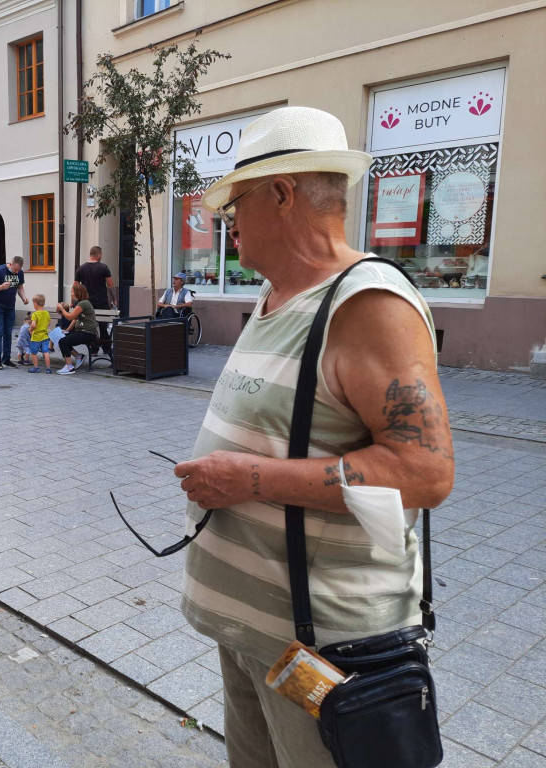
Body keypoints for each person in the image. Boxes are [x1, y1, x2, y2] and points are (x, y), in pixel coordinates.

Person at [172, 107, 454, 768]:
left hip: (328, 647)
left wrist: (248, 480)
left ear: (281, 193)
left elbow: (425, 470)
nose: (226, 220)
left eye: (236, 202)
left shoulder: (367, 302)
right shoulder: (277, 296)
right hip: (261, 634)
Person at [0, 255, 28, 369]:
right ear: (11, 263)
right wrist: (1, 287)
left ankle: (6, 359)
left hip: (10, 306)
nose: (16, 272)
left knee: (8, 333)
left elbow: (20, 287)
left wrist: (24, 298)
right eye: (14, 269)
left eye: (18, 270)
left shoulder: (20, 273)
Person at [75, 245, 118, 351]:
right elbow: (110, 285)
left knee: (90, 327)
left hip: (87, 303)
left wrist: (75, 301)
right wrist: (114, 299)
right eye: (101, 254)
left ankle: (93, 349)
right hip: (101, 301)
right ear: (98, 255)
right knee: (103, 327)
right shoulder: (103, 267)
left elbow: (75, 286)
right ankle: (107, 349)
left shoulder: (81, 268)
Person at [55, 282, 97, 375]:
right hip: (82, 332)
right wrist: (67, 330)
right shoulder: (81, 303)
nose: (71, 294)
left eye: (72, 292)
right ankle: (78, 356)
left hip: (88, 333)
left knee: (63, 341)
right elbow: (74, 319)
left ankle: (69, 366)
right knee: (61, 337)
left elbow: (69, 317)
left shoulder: (83, 304)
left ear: (78, 293)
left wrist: (62, 309)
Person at [26, 295, 52, 374]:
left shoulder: (35, 314)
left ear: (35, 304)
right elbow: (49, 323)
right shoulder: (47, 313)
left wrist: (30, 329)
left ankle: (36, 368)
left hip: (36, 337)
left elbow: (33, 325)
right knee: (46, 352)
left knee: (34, 353)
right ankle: (48, 369)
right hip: (44, 336)